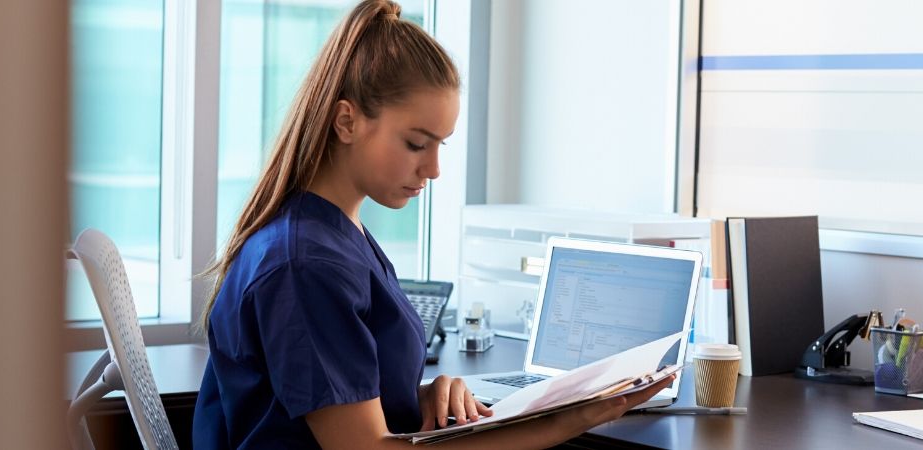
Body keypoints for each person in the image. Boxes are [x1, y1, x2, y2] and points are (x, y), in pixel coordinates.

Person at [192, 1, 673, 448]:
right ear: (347, 122)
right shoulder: (307, 263)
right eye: (416, 144)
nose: (434, 169)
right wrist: (565, 421)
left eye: (441, 144)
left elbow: (348, 400)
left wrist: (420, 396)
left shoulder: (335, 233)